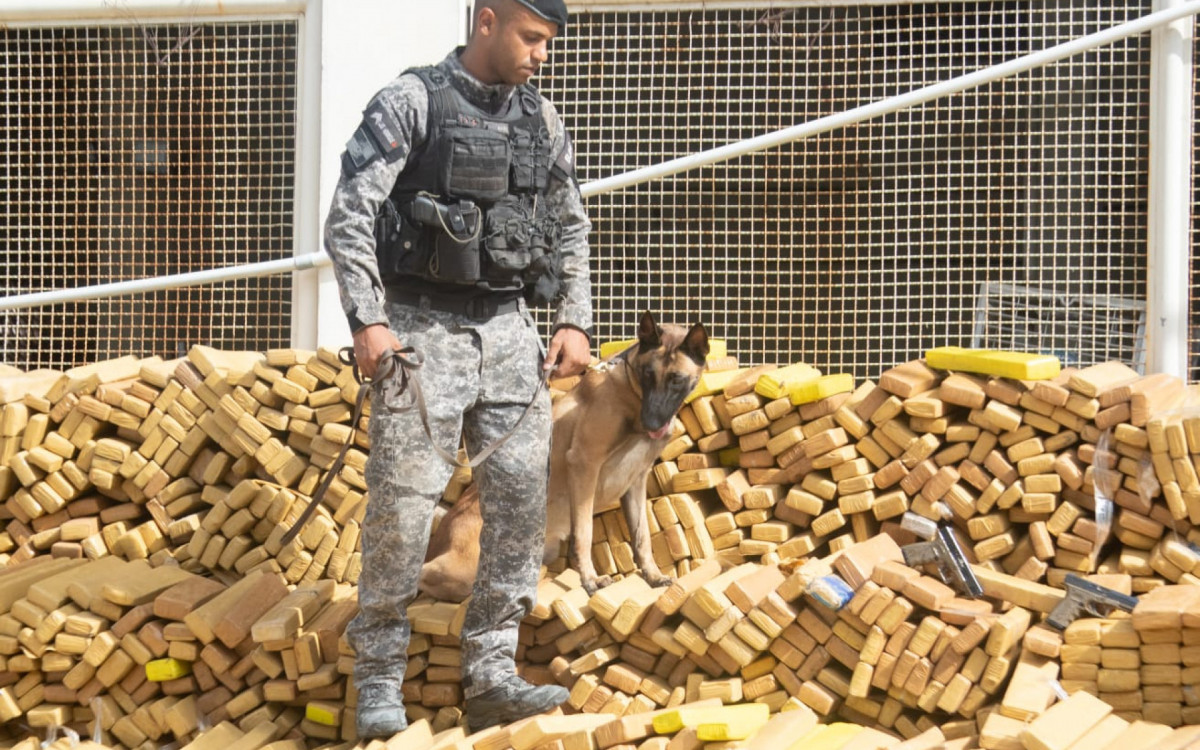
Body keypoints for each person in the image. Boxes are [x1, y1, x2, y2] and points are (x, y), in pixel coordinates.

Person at [321, 0, 593, 738]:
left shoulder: (543, 120)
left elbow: (570, 222)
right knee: (402, 513)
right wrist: (369, 322)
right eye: (532, 38)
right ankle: (378, 680)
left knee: (518, 512)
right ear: (488, 19)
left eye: (548, 43)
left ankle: (493, 673)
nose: (543, 55)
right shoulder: (411, 103)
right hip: (418, 331)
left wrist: (573, 318)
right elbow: (349, 213)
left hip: (512, 333)